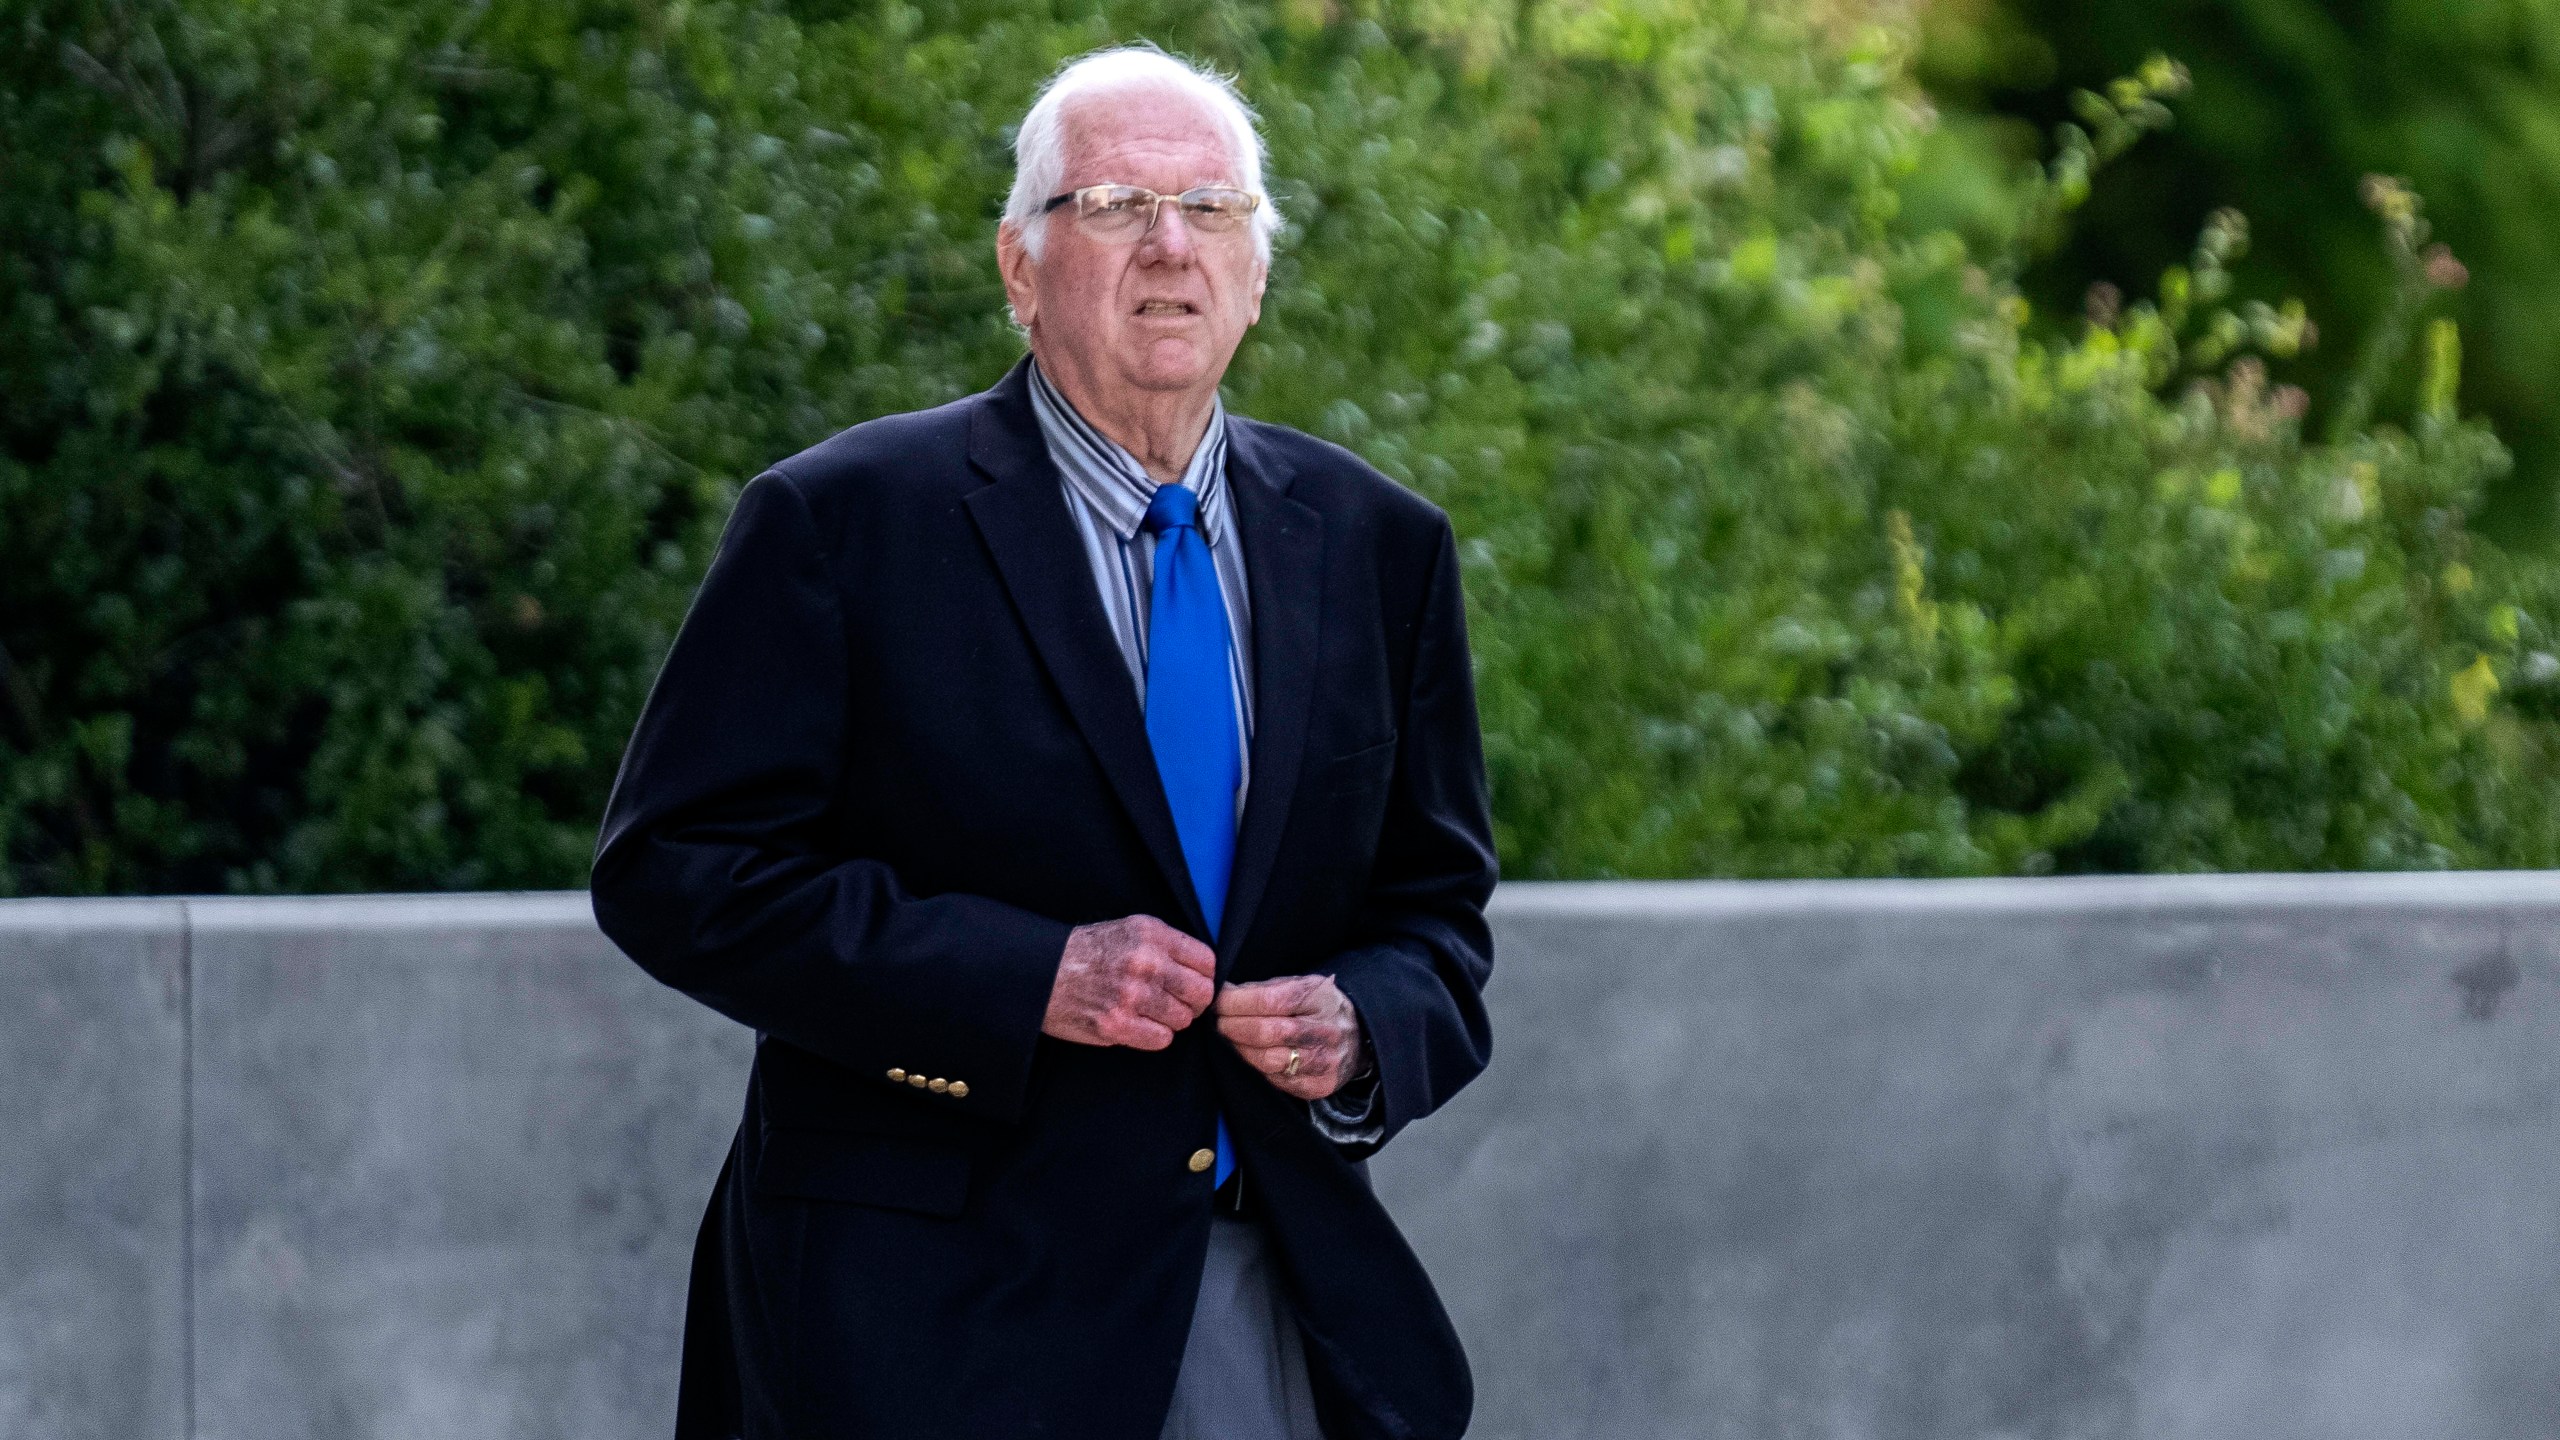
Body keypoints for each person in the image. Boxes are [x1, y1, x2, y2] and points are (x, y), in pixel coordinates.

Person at [590, 43, 1495, 1440]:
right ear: (1020, 267)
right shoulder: (843, 522)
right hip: (919, 1313)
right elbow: (674, 870)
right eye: (1119, 205)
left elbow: (1437, 916)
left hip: (1262, 1283)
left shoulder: (1378, 545)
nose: (1170, 245)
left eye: (1212, 208)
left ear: (1258, 269)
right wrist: (1032, 977)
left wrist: (1367, 1025)